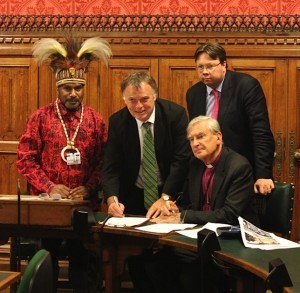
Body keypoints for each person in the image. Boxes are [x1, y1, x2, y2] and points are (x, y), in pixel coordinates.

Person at [17, 36, 112, 292]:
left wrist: (90, 188)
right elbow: (25, 158)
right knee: (47, 262)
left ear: (84, 88)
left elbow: (104, 162)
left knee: (83, 266)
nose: (73, 93)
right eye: (67, 88)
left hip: (84, 206)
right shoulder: (40, 117)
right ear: (58, 88)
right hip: (49, 206)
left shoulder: (96, 120)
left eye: (78, 88)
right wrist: (49, 187)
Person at [142, 115, 259, 293]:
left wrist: (181, 216)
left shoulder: (238, 167)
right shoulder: (196, 165)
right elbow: (190, 204)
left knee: (189, 275)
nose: (195, 143)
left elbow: (228, 215)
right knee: (154, 265)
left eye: (201, 136)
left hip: (231, 239)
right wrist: (175, 209)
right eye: (191, 139)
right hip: (199, 236)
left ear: (218, 137)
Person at [186, 42, 275, 195]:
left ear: (224, 64)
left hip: (241, 170)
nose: (204, 72)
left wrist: (263, 174)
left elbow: (260, 132)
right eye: (200, 67)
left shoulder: (246, 86)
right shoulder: (193, 93)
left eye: (210, 66)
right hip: (208, 172)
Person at [102, 71, 191, 218]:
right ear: (124, 99)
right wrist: (112, 201)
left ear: (155, 96)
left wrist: (165, 197)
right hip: (132, 196)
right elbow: (111, 166)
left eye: (144, 99)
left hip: (171, 194)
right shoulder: (118, 122)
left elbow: (181, 161)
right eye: (132, 100)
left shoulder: (175, 115)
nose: (139, 106)